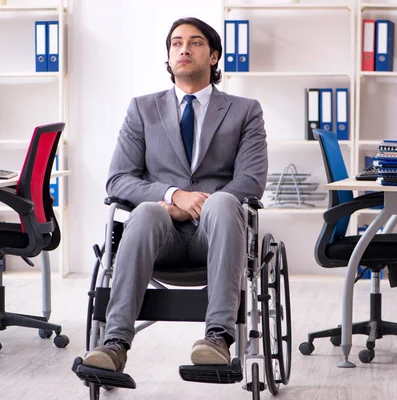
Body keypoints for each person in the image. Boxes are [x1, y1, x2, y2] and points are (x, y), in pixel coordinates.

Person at [81, 17, 268, 372]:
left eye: (195, 42)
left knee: (227, 201)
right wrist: (175, 196)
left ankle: (217, 338)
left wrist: (200, 205)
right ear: (168, 59)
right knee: (148, 211)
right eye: (176, 43)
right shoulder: (142, 108)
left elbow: (250, 181)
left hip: (216, 235)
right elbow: (118, 180)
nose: (184, 49)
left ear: (213, 57)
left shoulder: (245, 111)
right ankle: (115, 342)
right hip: (160, 233)